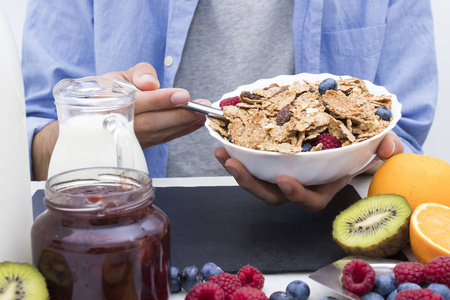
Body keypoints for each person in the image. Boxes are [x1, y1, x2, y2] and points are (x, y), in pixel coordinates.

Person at [22, 0, 437, 212]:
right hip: (121, 234)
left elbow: (404, 145)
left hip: (326, 249)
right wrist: (91, 131)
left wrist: (353, 157)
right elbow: (27, 158)